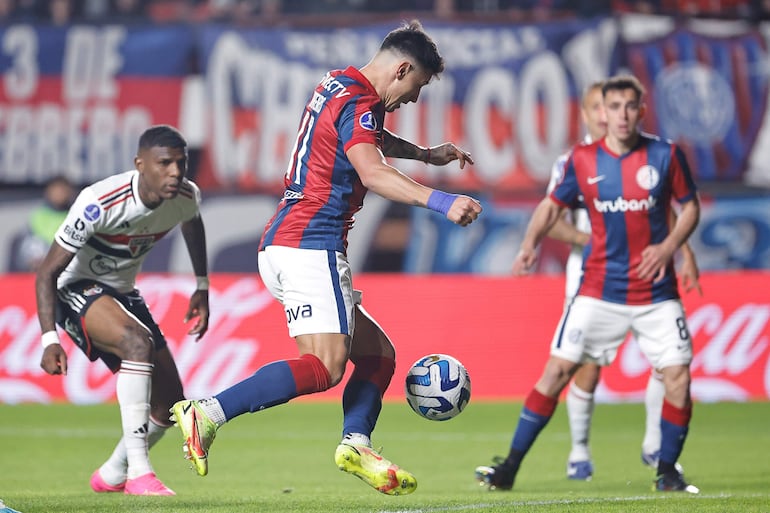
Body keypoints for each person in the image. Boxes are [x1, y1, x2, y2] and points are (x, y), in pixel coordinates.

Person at [170, 20, 482, 496]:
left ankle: (356, 444)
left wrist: (423, 153)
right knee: (326, 367)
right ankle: (207, 412)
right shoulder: (360, 102)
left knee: (378, 357)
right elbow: (373, 171)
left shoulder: (338, 84)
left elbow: (366, 137)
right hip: (310, 245)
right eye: (416, 88)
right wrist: (442, 202)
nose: (413, 100)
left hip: (286, 242)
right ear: (401, 69)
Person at [476, 74, 700, 493]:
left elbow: (689, 208)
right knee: (558, 372)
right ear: (601, 112)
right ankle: (508, 468)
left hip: (656, 292)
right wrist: (530, 244)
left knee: (679, 377)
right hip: (599, 289)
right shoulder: (582, 160)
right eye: (613, 107)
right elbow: (550, 206)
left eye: (629, 107)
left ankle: (667, 470)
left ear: (641, 111)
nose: (621, 115)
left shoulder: (666, 155)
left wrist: (672, 247)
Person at [35, 125, 210, 496]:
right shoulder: (99, 201)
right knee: (135, 342)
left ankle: (114, 472)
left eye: (182, 163)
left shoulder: (185, 195)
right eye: (165, 163)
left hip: (122, 292)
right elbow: (47, 272)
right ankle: (139, 476)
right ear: (140, 164)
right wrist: (49, 338)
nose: (176, 172)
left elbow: (192, 224)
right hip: (72, 287)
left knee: (169, 406)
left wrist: (202, 284)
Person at [544, 81, 702, 481]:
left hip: (647, 271)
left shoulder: (647, 155)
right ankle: (579, 451)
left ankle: (654, 444)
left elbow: (658, 212)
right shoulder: (573, 160)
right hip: (590, 273)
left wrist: (681, 251)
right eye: (602, 106)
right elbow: (553, 222)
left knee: (665, 362)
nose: (611, 114)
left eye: (619, 106)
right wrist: (596, 239)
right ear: (588, 113)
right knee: (587, 367)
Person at [14, 175, 77, 272]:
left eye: (63, 190)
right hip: (37, 269)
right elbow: (27, 247)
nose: (59, 194)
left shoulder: (75, 216)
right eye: (56, 190)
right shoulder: (37, 216)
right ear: (48, 191)